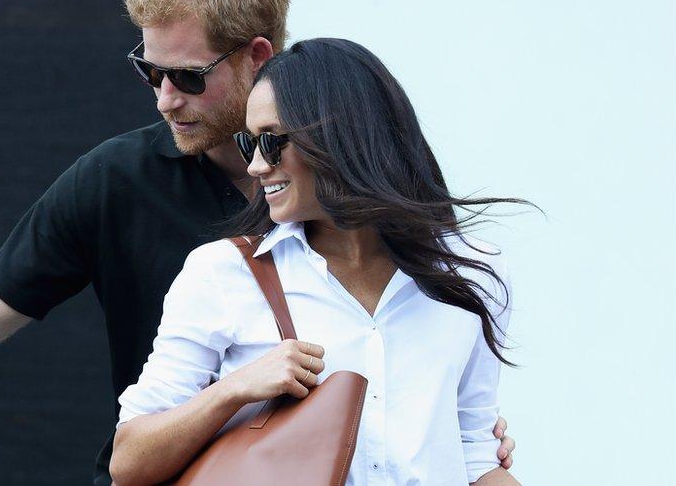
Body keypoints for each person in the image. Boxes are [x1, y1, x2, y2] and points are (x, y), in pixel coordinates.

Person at [0, 0, 516, 483]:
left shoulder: (378, 211)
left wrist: (442, 439)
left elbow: (456, 420)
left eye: (187, 76)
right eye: (147, 70)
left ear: (259, 55)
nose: (164, 98)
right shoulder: (119, 182)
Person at [110, 38, 525, 485]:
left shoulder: (469, 274)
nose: (256, 166)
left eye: (271, 141)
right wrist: (234, 390)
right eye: (249, 144)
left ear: (342, 136)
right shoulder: (221, 274)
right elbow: (130, 460)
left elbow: (475, 454)